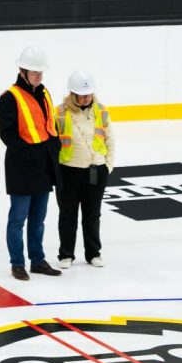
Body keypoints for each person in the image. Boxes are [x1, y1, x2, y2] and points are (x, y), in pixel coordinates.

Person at [0, 46, 61, 281]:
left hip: (43, 167)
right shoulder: (9, 98)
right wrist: (29, 154)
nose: (38, 76)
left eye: (41, 72)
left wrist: (53, 145)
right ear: (22, 70)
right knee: (18, 219)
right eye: (34, 71)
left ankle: (37, 260)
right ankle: (17, 264)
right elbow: (7, 135)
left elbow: (49, 124)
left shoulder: (44, 93)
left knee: (38, 219)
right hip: (21, 168)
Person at [55, 70, 115, 270]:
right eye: (82, 94)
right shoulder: (60, 113)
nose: (86, 97)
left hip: (96, 171)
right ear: (72, 93)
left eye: (89, 93)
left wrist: (108, 166)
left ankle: (93, 253)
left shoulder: (101, 111)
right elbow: (52, 143)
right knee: (67, 215)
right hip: (69, 171)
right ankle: (66, 254)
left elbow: (110, 139)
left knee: (92, 214)